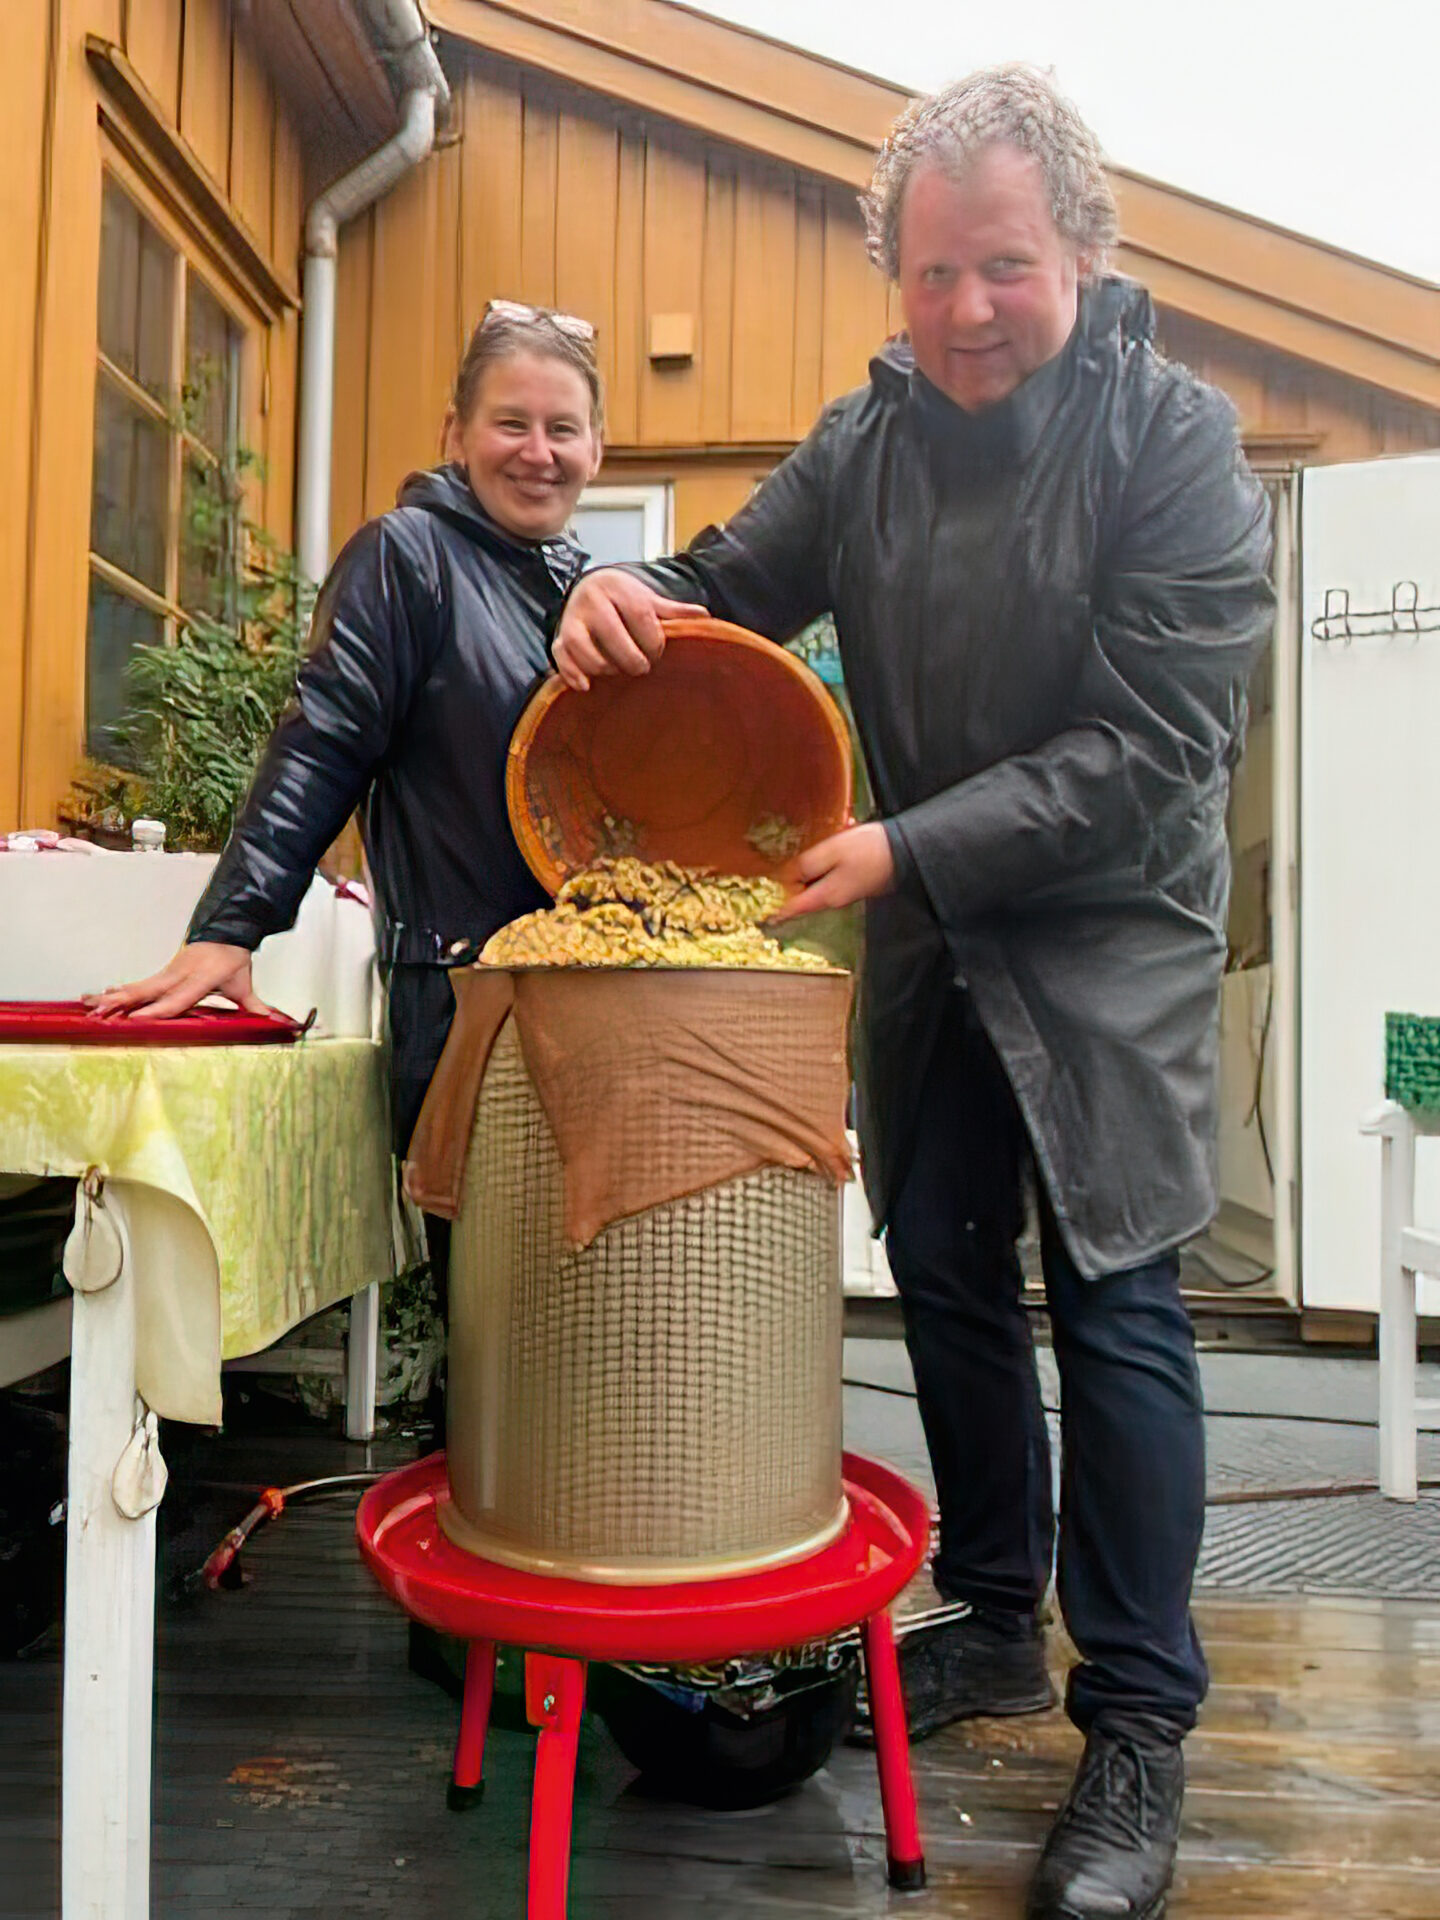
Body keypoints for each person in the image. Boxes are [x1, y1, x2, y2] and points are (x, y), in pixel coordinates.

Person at [552, 64, 1273, 1920]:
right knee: (948, 1274)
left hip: (1113, 918)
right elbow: (728, 583)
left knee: (1115, 1302)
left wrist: (897, 850)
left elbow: (1157, 742)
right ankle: (996, 1617)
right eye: (934, 272)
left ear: (1087, 258)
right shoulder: (863, 441)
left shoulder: (1173, 441)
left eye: (1005, 268)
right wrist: (632, 603)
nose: (966, 311)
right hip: (932, 922)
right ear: (894, 276)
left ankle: (1137, 1725)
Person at [89, 296, 605, 1350]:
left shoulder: (587, 590)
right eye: (512, 422)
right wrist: (233, 926)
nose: (539, 452)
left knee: (583, 1316)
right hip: (467, 1000)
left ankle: (560, 1508)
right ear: (454, 435)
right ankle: (487, 1504)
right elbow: (323, 737)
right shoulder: (408, 559)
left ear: (598, 448)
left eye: (564, 429)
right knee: (506, 1323)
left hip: (589, 998)